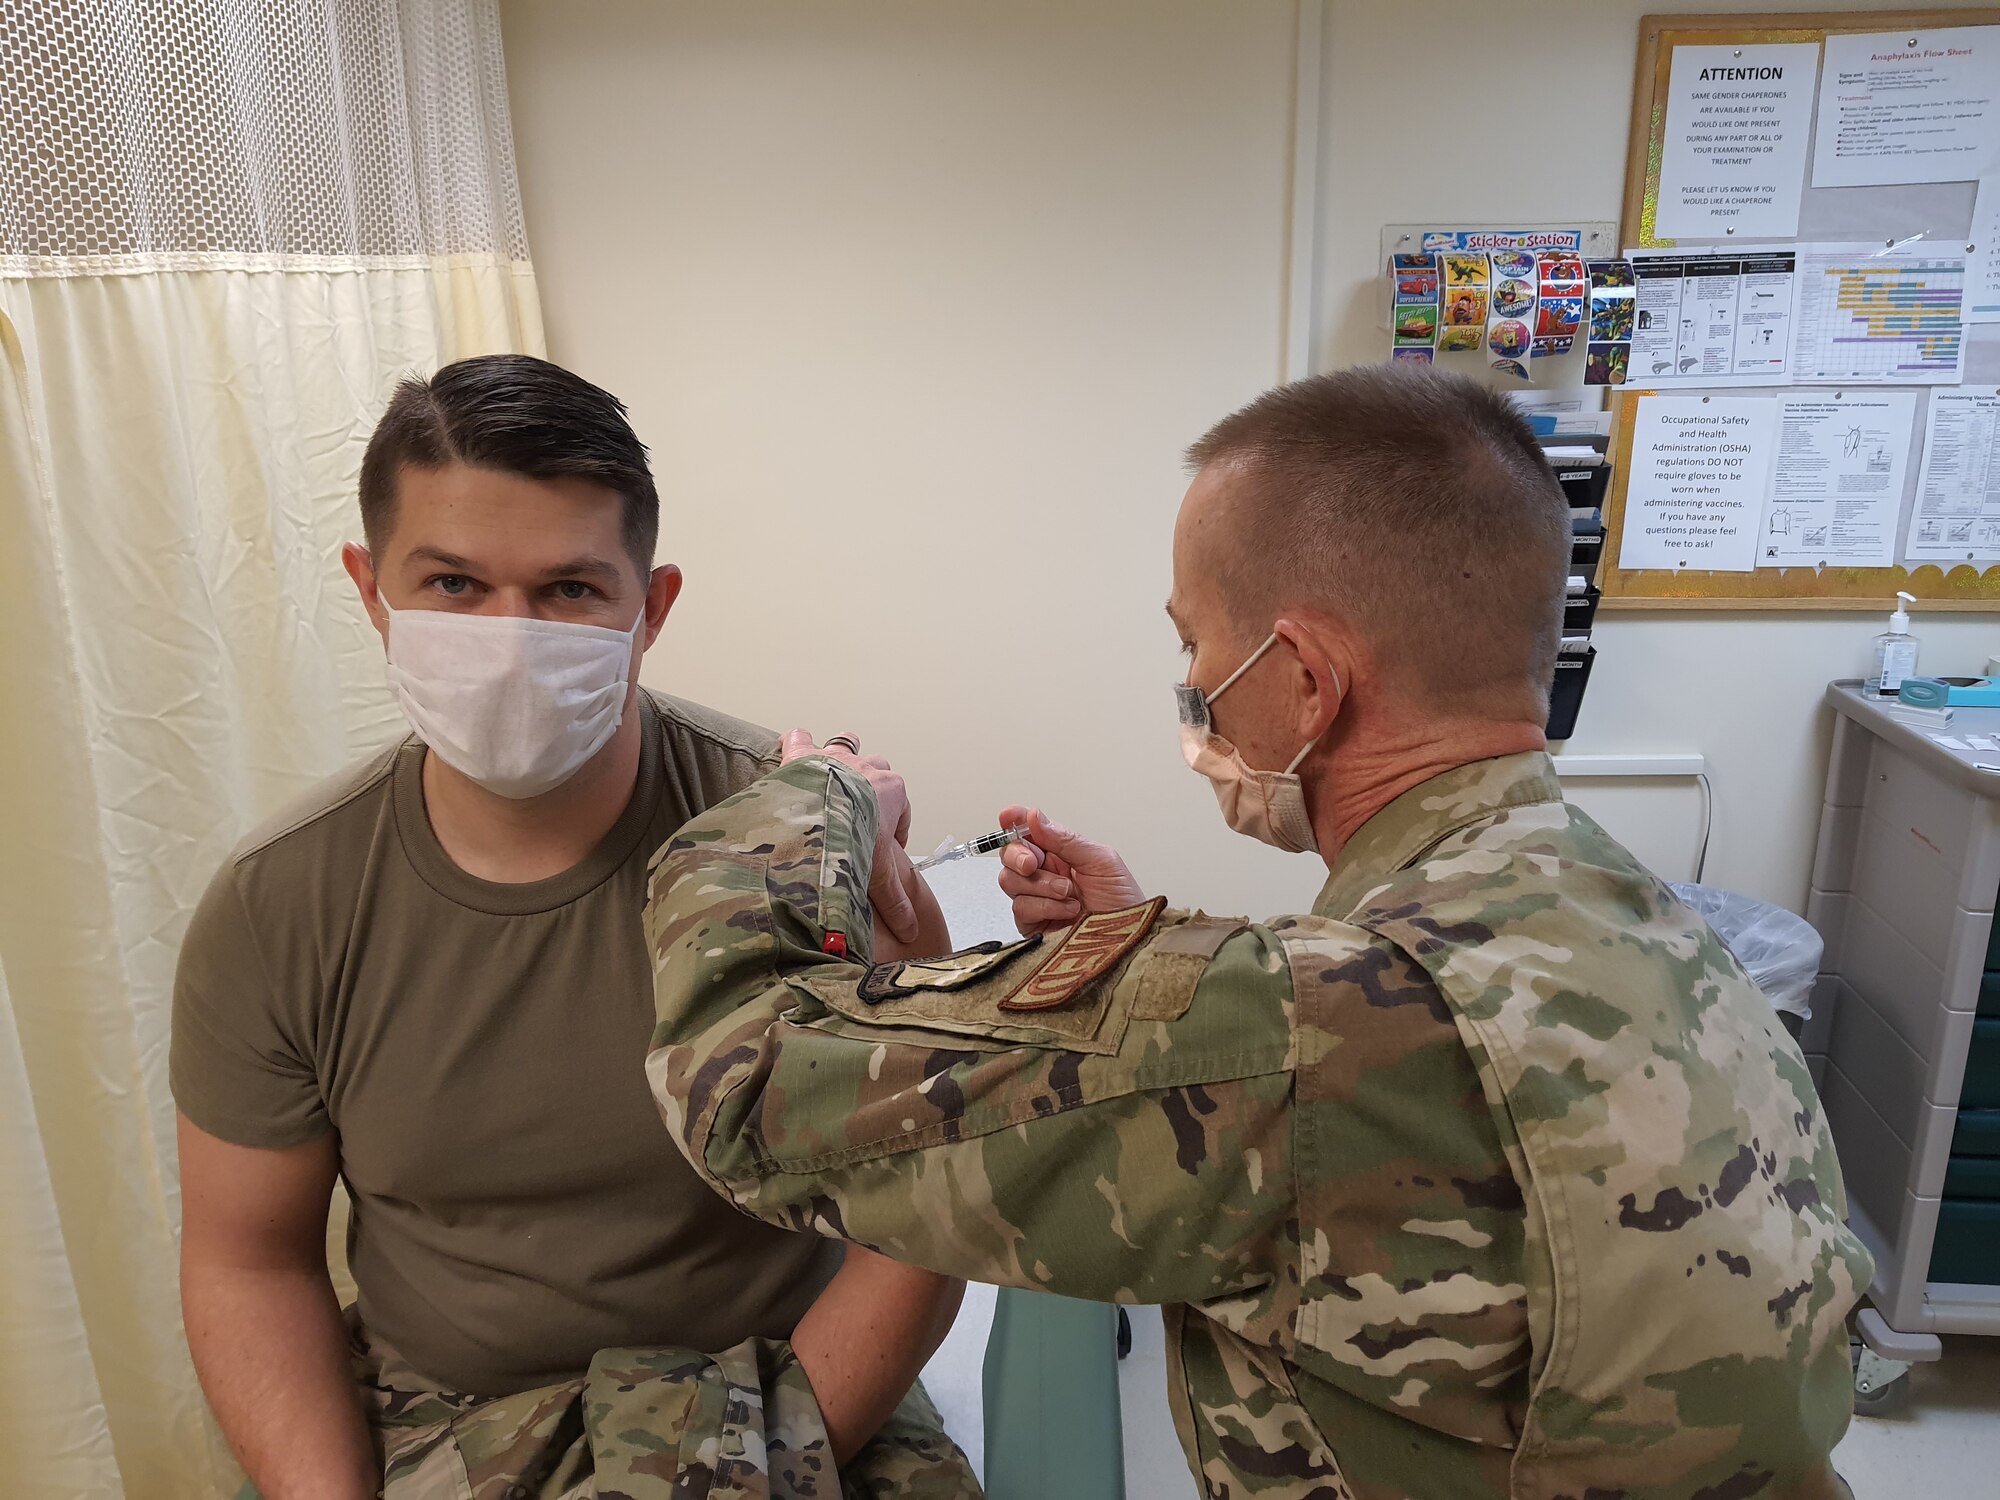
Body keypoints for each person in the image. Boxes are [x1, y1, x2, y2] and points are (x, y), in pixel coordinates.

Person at [641, 364, 1873, 1499]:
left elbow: (739, 1084)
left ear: (1303, 680)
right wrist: (1140, 947)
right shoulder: (1630, 906)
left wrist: (817, 795)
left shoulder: (1308, 1025)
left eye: (1194, 641)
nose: (1188, 677)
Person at [171, 355, 978, 1498]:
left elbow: (925, 1206)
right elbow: (248, 1261)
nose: (509, 637)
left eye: (567, 591)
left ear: (650, 611)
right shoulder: (279, 908)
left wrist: (764, 1472)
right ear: (370, 589)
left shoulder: (799, 842)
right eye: (451, 585)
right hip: (447, 1413)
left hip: (781, 1390)